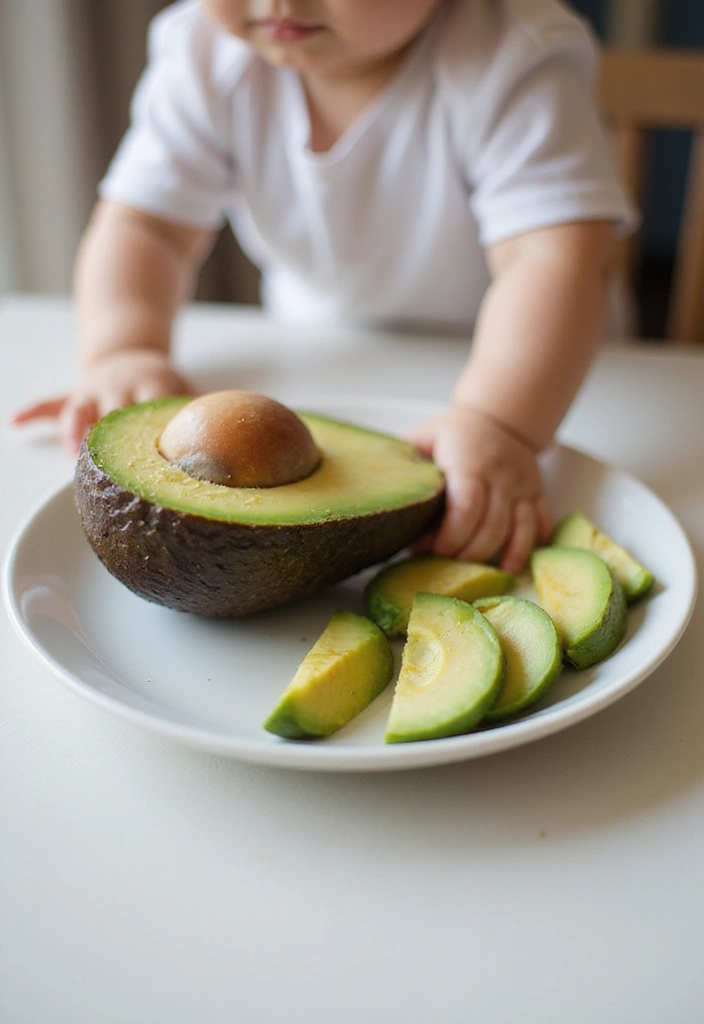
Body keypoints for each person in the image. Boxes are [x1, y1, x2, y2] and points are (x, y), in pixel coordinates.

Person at [13, 0, 636, 573]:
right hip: (321, 352)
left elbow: (550, 261)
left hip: (537, 379)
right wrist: (125, 350)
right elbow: (146, 228)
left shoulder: (513, 57)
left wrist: (501, 424)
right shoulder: (208, 55)